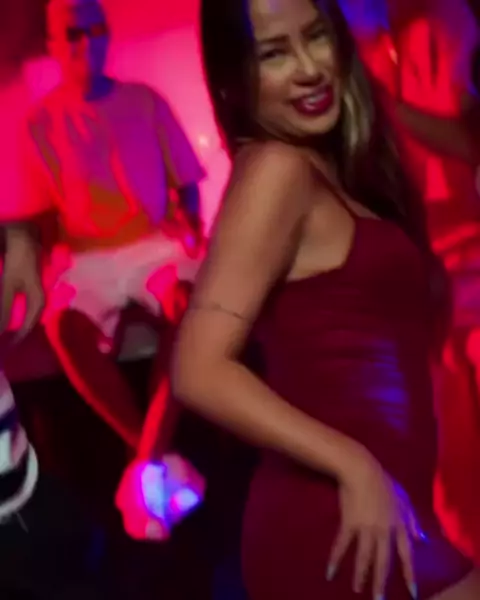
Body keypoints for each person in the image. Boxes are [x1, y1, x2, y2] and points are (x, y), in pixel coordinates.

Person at [171, 0, 480, 598]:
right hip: (337, 520)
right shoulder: (277, 170)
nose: (310, 68)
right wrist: (353, 464)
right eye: (274, 54)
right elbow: (197, 368)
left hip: (386, 513)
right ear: (234, 79)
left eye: (316, 37)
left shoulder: (334, 171)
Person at [16, 0, 205, 458]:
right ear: (54, 45)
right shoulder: (41, 122)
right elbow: (43, 213)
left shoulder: (144, 100)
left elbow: (186, 179)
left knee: (188, 308)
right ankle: (149, 450)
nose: (87, 44)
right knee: (63, 328)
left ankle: (150, 454)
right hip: (88, 256)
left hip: (151, 242)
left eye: (95, 30)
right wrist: (48, 261)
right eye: (73, 35)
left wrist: (192, 228)